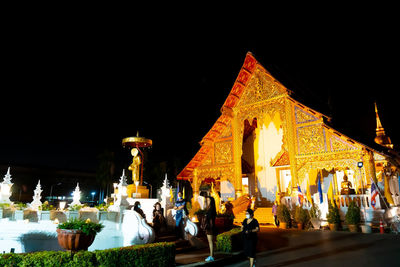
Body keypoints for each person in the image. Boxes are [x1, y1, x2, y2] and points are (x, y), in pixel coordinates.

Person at [204, 195, 217, 262]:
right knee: (210, 242)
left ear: (211, 201)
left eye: (208, 200)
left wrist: (210, 227)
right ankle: (211, 255)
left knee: (210, 242)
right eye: (207, 200)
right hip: (210, 227)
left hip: (210, 227)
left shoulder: (211, 209)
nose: (207, 201)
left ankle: (211, 256)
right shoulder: (210, 208)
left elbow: (211, 219)